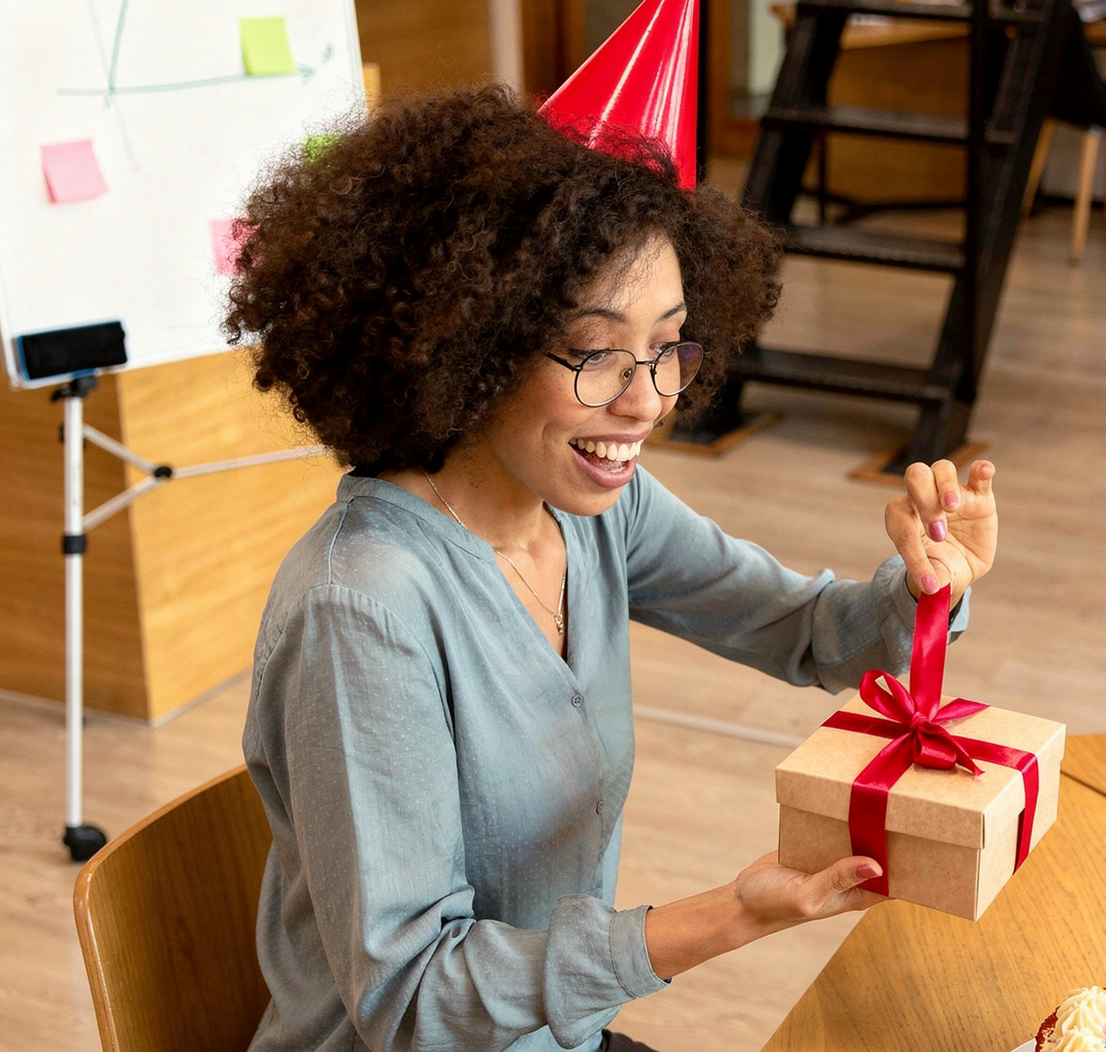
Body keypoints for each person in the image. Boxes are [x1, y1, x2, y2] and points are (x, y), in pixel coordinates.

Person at [224, 84, 998, 1052]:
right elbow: (412, 999)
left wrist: (928, 587)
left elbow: (809, 630)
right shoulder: (363, 604)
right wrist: (726, 918)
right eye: (597, 352)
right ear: (470, 344)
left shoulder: (590, 507)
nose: (646, 402)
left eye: (667, 346)